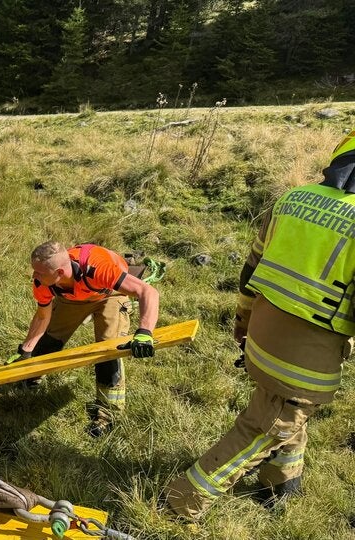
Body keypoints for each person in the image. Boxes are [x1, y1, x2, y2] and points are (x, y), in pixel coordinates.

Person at [164, 131, 355, 519]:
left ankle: (281, 482)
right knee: (267, 427)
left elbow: (251, 268)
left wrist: (243, 319)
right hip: (306, 360)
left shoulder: (293, 198)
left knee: (281, 409)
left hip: (261, 337)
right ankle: (180, 503)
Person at [18, 241, 160, 438]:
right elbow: (43, 317)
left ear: (59, 272)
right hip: (72, 297)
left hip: (109, 294)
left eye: (39, 272)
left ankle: (107, 414)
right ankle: (31, 379)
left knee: (108, 349)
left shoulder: (98, 268)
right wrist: (27, 350)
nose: (34, 275)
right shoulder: (43, 283)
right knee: (50, 339)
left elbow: (148, 291)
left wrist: (144, 332)